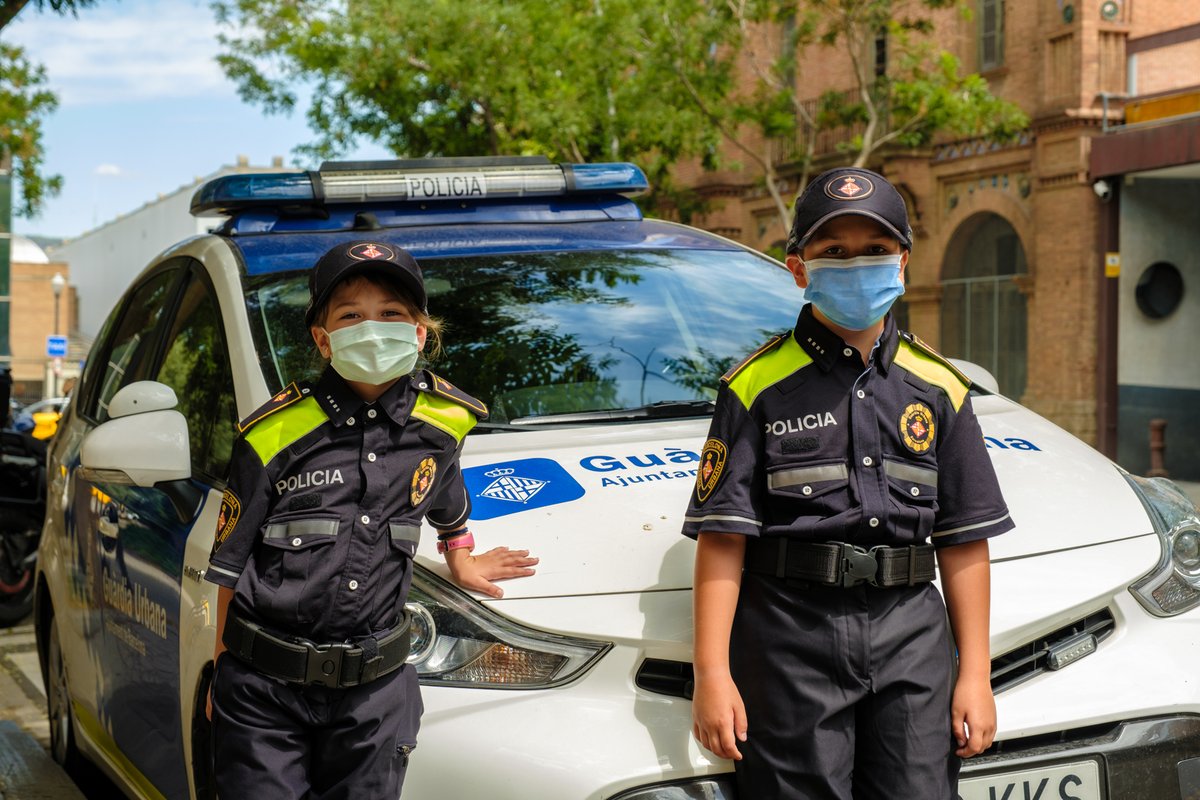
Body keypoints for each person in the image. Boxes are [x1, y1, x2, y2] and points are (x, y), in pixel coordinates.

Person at [682, 167, 1013, 799]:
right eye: (834, 252)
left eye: (875, 251)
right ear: (799, 267)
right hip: (789, 635)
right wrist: (712, 673)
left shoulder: (940, 388)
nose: (856, 265)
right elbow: (722, 540)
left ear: (904, 261)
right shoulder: (754, 387)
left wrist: (975, 674)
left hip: (912, 634)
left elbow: (965, 538)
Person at [205, 240, 538, 798]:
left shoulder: (444, 420)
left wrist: (461, 555)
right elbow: (228, 565)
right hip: (264, 691)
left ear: (419, 332)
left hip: (377, 694)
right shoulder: (272, 434)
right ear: (323, 338)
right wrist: (222, 672)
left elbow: (445, 490)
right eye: (351, 316)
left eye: (391, 314)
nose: (373, 327)